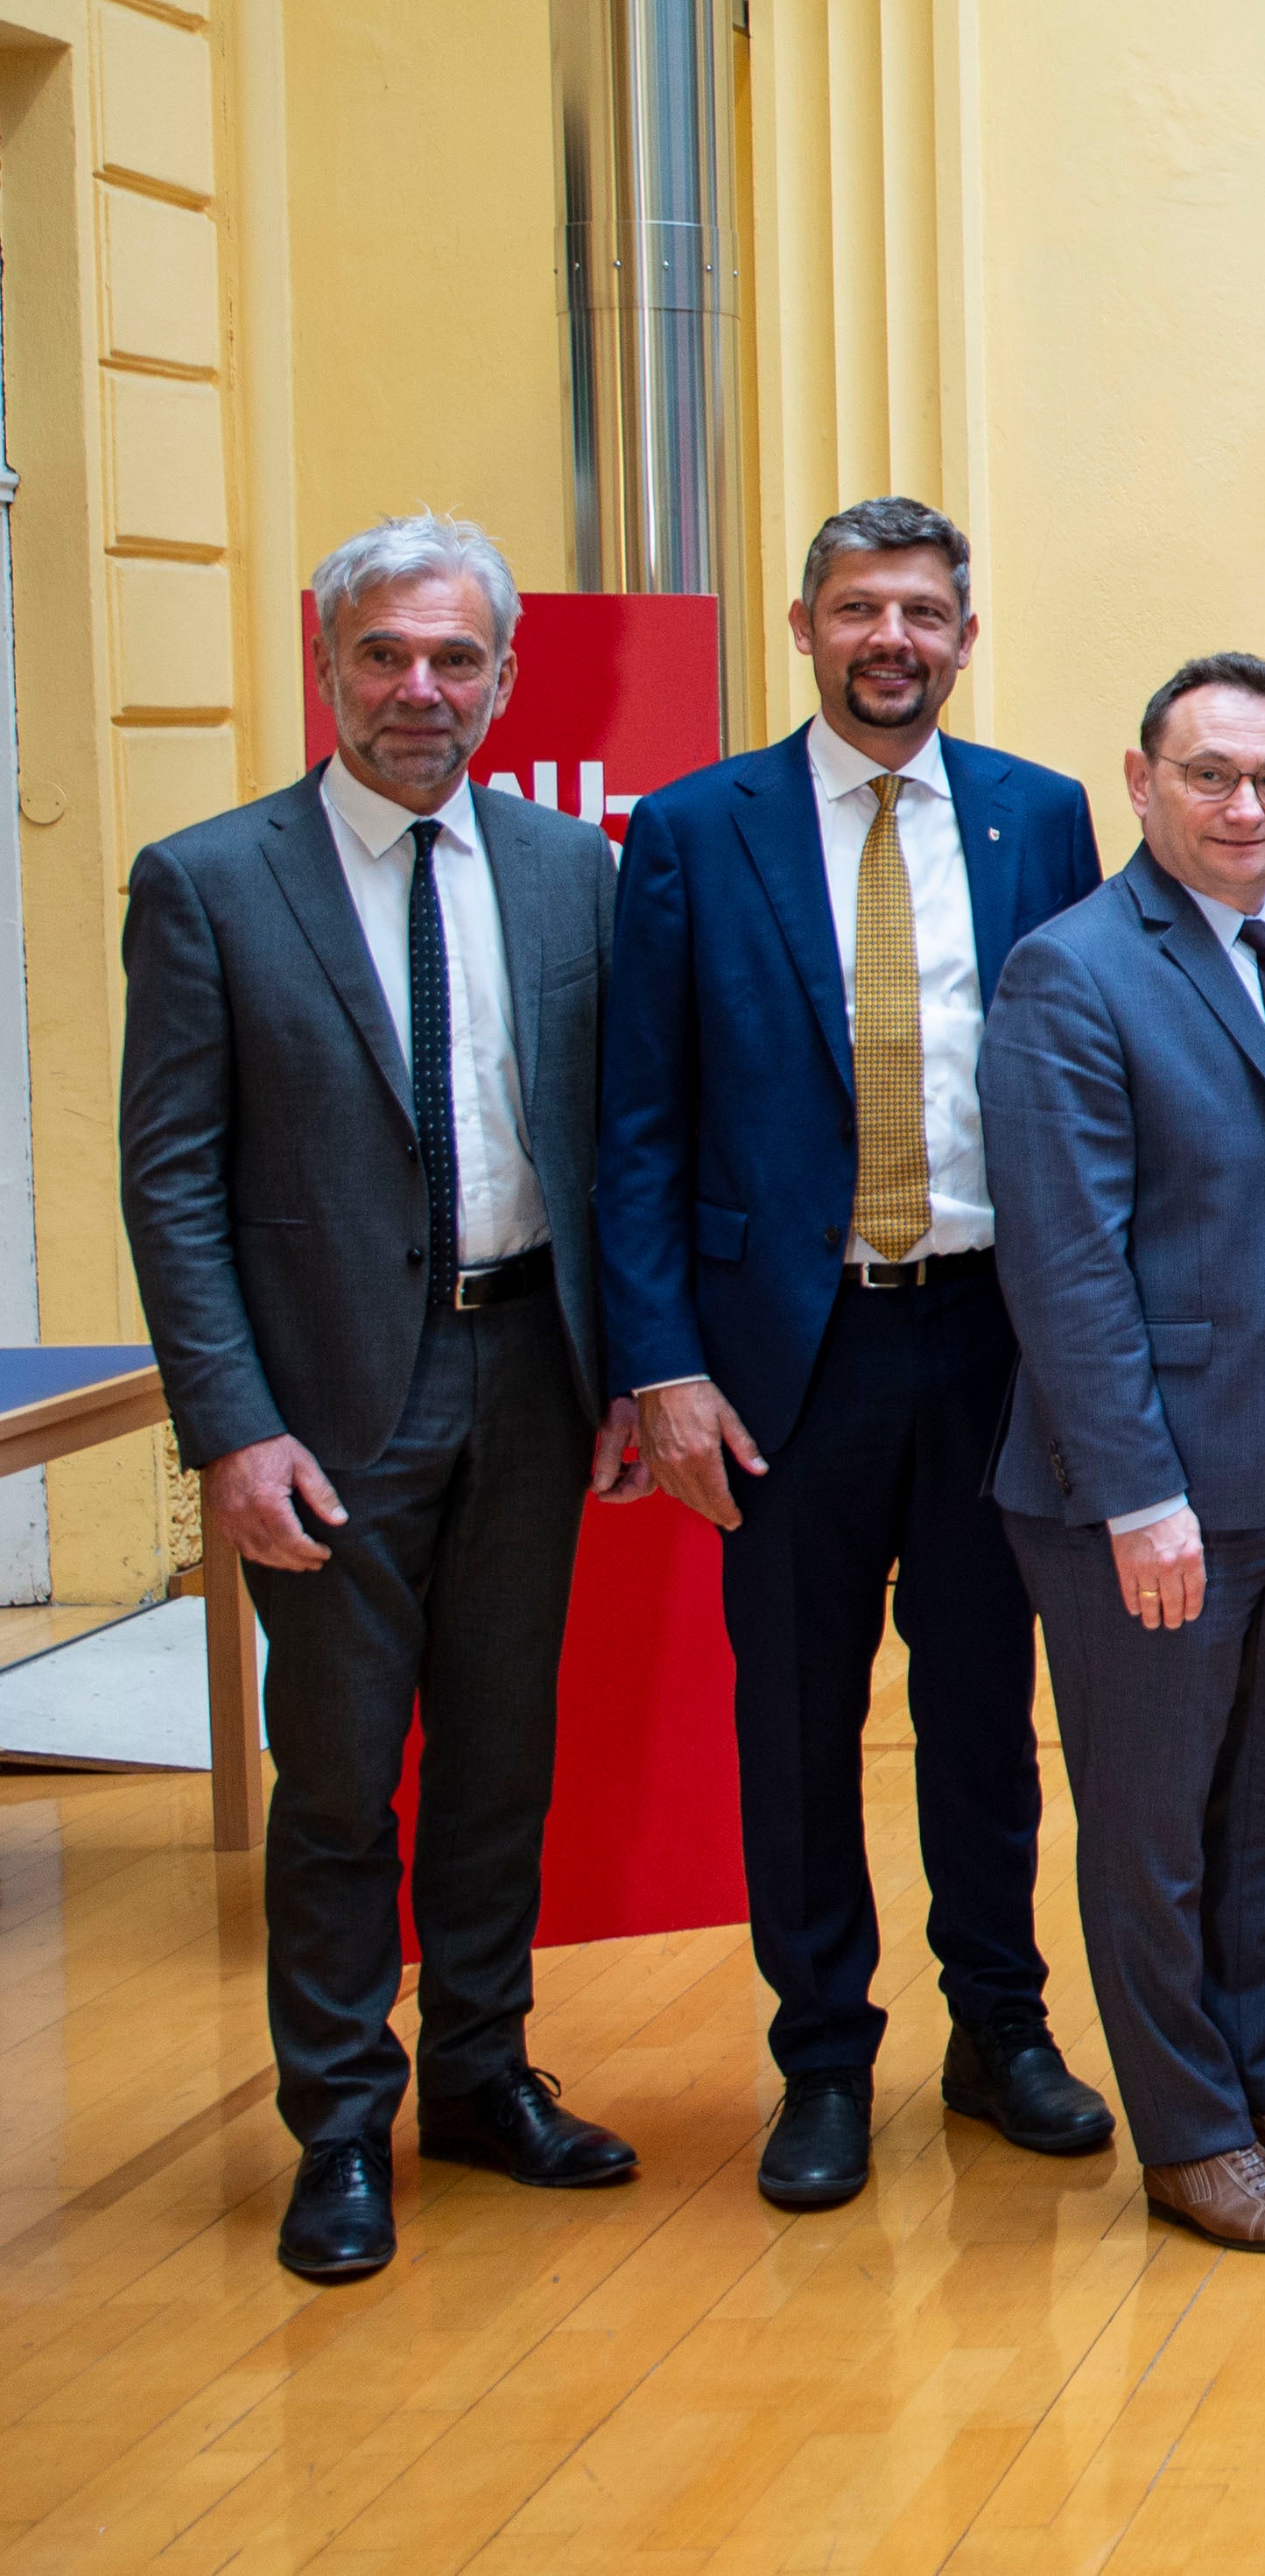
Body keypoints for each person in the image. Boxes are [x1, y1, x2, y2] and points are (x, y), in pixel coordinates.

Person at [118, 513, 650, 2284]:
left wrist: (622, 1364)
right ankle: (338, 2120)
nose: (419, 689)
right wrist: (230, 1425)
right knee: (342, 1777)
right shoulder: (209, 879)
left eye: (454, 659)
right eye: (384, 655)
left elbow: (604, 1140)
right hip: (327, 1403)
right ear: (327, 663)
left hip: (530, 1370)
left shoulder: (572, 867)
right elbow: (171, 1182)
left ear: (503, 676)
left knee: (503, 1758)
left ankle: (481, 2075)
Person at [601, 496, 1115, 2210]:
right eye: (856, 609)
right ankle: (821, 2056)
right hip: (781, 1363)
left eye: (921, 611)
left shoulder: (1040, 820)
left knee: (988, 1714)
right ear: (804, 625)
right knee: (798, 1727)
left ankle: (1000, 2030)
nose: (890, 638)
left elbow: (1083, 1081)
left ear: (965, 636)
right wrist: (661, 1359)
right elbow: (641, 1123)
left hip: (990, 1343)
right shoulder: (691, 830)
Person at [983, 651, 1265, 2253]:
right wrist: (1139, 1498)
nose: (1247, 807)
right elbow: (1063, 1265)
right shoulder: (1073, 971)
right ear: (1139, 781)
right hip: (1150, 1487)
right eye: (1211, 776)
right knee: (1155, 1821)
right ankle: (1188, 2133)